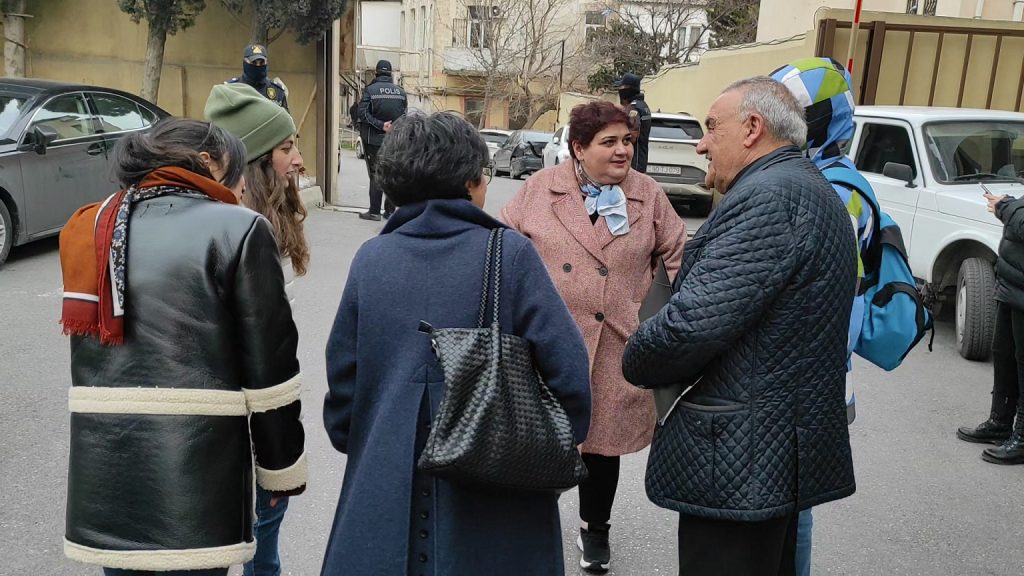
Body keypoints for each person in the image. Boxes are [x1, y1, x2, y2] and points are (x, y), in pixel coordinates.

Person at [320, 111, 592, 576]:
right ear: (470, 182)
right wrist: (548, 444)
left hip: (383, 488)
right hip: (500, 491)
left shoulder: (372, 259)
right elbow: (568, 375)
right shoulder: (511, 254)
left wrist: (377, 438)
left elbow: (343, 386)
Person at [621, 77, 858, 576]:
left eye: (711, 127)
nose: (701, 142)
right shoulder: (806, 186)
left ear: (753, 128)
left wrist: (637, 353)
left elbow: (691, 326)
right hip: (770, 458)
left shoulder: (768, 199)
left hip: (741, 462)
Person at [59, 118, 307, 576]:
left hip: (106, 474)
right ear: (210, 162)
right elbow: (269, 370)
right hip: (195, 474)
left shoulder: (91, 224)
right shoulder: (239, 227)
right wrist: (279, 467)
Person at [501, 100, 687, 573]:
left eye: (628, 141)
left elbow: (678, 257)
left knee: (602, 448)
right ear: (579, 148)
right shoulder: (541, 190)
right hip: (549, 341)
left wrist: (661, 319)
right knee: (541, 439)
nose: (623, 150)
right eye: (609, 142)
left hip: (618, 341)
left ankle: (595, 530)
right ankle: (525, 524)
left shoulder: (648, 194)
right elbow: (503, 247)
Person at [771, 57, 876, 576]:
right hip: (804, 374)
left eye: (793, 113)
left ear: (824, 118)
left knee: (794, 505)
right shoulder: (810, 174)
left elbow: (832, 294)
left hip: (812, 376)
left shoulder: (837, 188)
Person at [205, 82, 309, 576]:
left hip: (243, 426)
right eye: (287, 148)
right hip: (234, 429)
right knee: (256, 546)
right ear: (256, 160)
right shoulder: (238, 231)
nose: (298, 160)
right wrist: (277, 461)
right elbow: (261, 358)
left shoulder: (253, 222)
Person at [956, 190, 1024, 465]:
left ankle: (1021, 439)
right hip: (1013, 284)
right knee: (1004, 354)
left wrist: (1005, 206)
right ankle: (1000, 423)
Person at [357, 59, 407, 221]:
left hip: (374, 140)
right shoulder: (400, 92)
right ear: (390, 73)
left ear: (377, 73)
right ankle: (390, 211)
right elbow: (404, 116)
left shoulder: (370, 90)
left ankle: (374, 212)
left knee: (376, 174)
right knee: (391, 173)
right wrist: (394, 128)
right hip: (394, 139)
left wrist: (380, 125)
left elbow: (362, 114)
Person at [227, 43, 289, 110]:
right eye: (254, 62)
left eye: (262, 62)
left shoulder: (278, 91)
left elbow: (285, 118)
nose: (258, 65)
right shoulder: (231, 88)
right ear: (245, 62)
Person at [614, 72, 651, 174]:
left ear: (627, 90)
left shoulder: (634, 109)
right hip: (640, 161)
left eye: (621, 88)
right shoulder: (643, 105)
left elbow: (633, 136)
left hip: (634, 163)